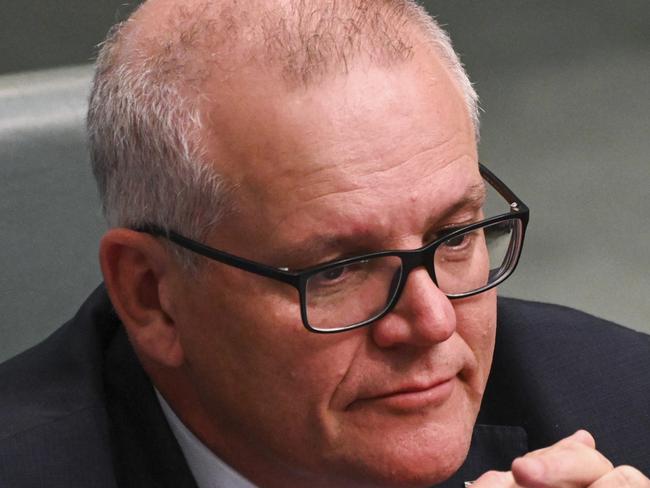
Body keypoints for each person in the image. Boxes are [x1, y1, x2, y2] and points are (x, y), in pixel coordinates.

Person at [0, 0, 648, 486]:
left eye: (453, 236)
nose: (433, 320)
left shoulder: (626, 408)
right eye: (342, 268)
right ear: (153, 297)